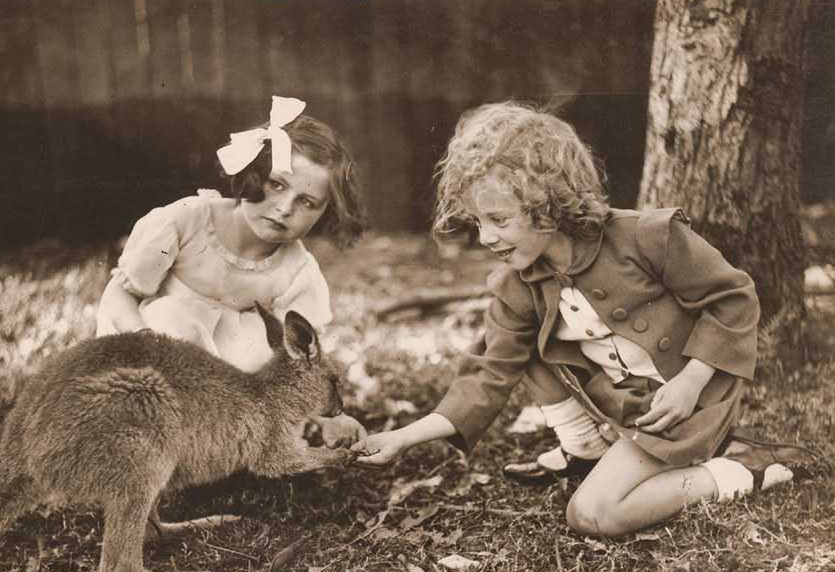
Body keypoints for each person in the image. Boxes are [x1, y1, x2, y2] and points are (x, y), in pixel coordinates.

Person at [352, 101, 795, 536]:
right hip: (631, 409)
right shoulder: (517, 284)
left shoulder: (645, 237)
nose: (485, 238)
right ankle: (585, 447)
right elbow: (488, 376)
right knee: (526, 337)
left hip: (691, 400)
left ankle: (741, 469)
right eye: (478, 222)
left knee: (593, 514)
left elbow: (734, 298)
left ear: (547, 202)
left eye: (499, 220)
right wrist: (403, 437)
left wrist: (691, 381)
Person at [97, 96, 367, 445]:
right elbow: (120, 294)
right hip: (150, 352)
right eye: (277, 184)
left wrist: (332, 416)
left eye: (307, 202)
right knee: (170, 317)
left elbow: (304, 362)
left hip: (221, 382)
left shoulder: (297, 271)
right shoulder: (184, 225)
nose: (284, 208)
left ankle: (219, 446)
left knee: (264, 351)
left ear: (324, 214)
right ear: (253, 175)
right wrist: (145, 338)